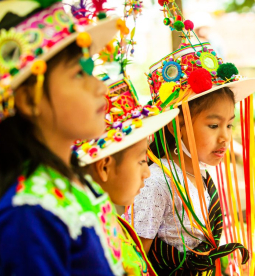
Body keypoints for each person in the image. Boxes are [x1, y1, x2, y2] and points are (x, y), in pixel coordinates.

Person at [0, 0, 126, 274]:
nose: (101, 87)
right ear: (29, 100)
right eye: (79, 74)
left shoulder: (67, 178)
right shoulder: (26, 212)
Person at [125, 12, 255, 272]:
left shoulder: (201, 174)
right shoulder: (156, 182)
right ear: (178, 124)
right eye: (213, 125)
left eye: (229, 125)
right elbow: (135, 261)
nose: (225, 136)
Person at [73, 73, 180, 275]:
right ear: (105, 167)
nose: (147, 173)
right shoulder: (86, 233)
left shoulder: (111, 219)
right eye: (141, 161)